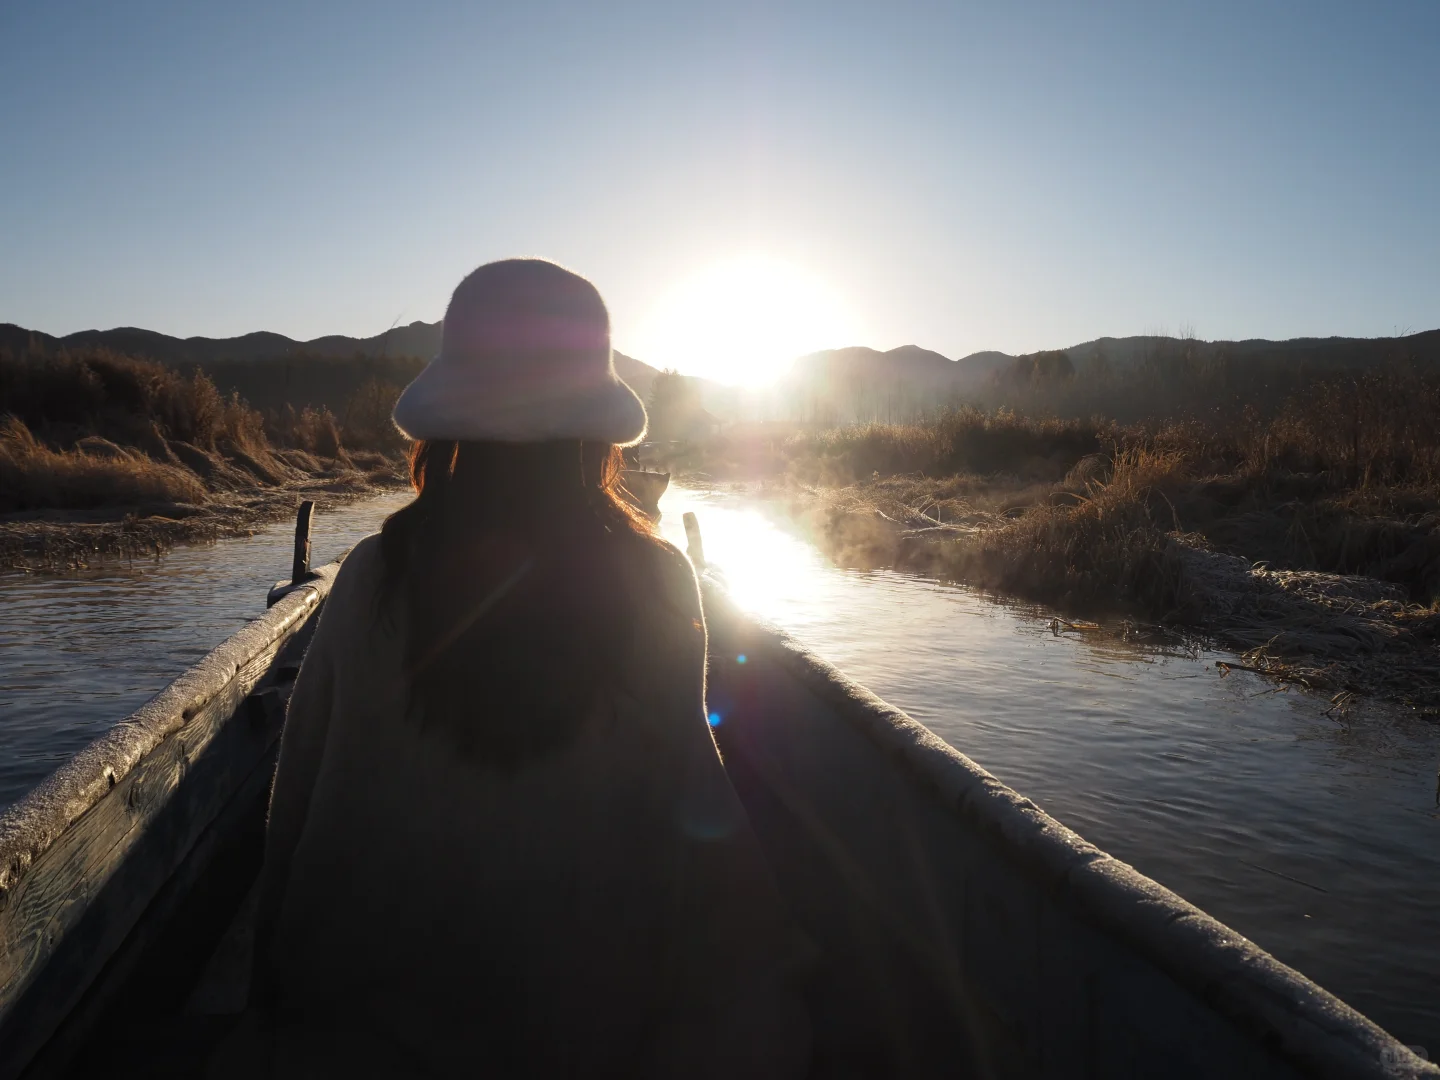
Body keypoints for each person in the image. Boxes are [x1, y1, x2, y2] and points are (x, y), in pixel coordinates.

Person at [235, 259, 812, 1077]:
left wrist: (267, 988)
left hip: (362, 1033)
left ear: (450, 425)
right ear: (595, 432)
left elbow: (295, 805)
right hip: (581, 1038)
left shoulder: (372, 575)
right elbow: (691, 815)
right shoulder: (657, 583)